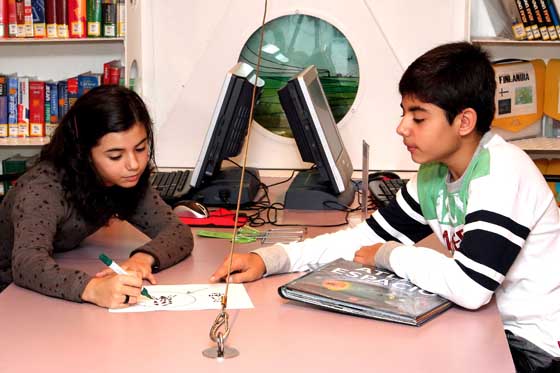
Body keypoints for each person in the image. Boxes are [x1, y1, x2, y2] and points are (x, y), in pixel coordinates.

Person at [210, 42, 560, 372]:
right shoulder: (434, 176)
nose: (402, 127)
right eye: (404, 113)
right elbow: (362, 239)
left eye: (418, 118)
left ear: (464, 122)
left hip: (534, 347)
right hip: (489, 328)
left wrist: (389, 255)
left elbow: (471, 287)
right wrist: (273, 259)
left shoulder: (501, 172)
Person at [0, 85, 194, 309]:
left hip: (48, 284)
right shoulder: (42, 189)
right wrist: (92, 289)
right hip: (10, 294)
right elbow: (27, 264)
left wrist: (142, 259)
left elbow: (178, 232)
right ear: (84, 154)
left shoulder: (123, 178)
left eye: (140, 149)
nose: (134, 165)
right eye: (115, 155)